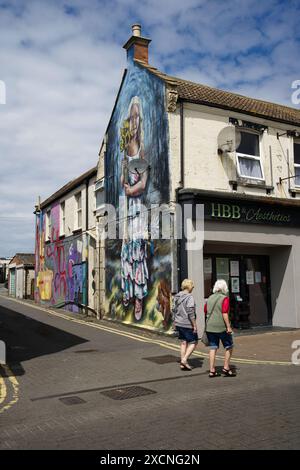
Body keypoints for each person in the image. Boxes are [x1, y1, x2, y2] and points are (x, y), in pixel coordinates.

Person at [120, 96, 149, 321]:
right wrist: (125, 183)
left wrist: (131, 190)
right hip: (126, 209)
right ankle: (128, 293)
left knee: (137, 252)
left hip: (138, 207)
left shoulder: (142, 150)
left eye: (138, 116)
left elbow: (143, 183)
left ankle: (138, 299)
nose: (135, 120)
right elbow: (123, 180)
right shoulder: (125, 150)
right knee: (126, 251)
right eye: (133, 116)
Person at [204, 279, 235, 377]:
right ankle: (226, 367)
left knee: (213, 347)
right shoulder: (224, 298)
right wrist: (228, 327)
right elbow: (225, 313)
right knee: (229, 346)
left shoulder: (209, 298)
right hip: (221, 327)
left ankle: (212, 370)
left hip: (210, 327)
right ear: (224, 288)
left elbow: (205, 310)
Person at [172, 279, 198, 371]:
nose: (193, 287)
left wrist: (174, 322)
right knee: (194, 342)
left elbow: (173, 310)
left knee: (183, 342)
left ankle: (183, 364)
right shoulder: (189, 297)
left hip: (178, 323)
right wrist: (194, 325)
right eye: (192, 285)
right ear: (189, 286)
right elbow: (191, 312)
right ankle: (184, 359)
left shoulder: (176, 296)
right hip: (187, 323)